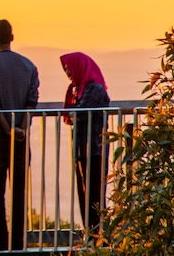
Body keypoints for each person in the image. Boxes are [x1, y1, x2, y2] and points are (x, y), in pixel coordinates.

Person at [0, 19, 39, 252]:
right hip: (22, 136)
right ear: (12, 37)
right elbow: (31, 102)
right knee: (19, 190)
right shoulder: (29, 65)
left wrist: (7, 130)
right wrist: (21, 128)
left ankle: (1, 244)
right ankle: (18, 245)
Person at [60, 52, 110, 240]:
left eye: (69, 68)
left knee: (94, 194)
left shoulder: (94, 88)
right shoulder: (79, 89)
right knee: (84, 193)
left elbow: (79, 113)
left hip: (94, 149)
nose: (68, 73)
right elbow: (71, 116)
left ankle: (97, 235)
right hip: (83, 149)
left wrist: (72, 111)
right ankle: (90, 233)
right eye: (65, 70)